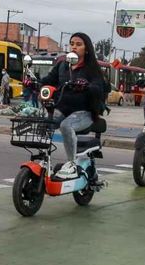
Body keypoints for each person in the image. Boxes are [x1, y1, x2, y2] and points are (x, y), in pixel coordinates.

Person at [39, 34, 107, 179]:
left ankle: (72, 164)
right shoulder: (62, 65)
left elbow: (99, 88)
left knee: (65, 126)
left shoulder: (91, 68)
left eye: (78, 44)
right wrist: (35, 83)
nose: (74, 47)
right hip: (62, 108)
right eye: (72, 44)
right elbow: (48, 80)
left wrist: (87, 86)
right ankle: (44, 159)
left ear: (86, 48)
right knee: (44, 123)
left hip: (85, 112)